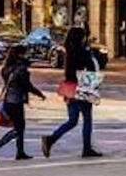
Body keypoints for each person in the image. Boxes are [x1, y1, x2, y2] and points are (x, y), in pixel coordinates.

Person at [42, 27, 104, 158]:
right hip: (82, 87)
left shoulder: (68, 52)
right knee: (87, 119)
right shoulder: (83, 52)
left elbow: (68, 72)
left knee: (72, 120)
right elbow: (92, 68)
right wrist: (89, 52)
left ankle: (51, 139)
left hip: (69, 88)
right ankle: (86, 148)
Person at [0, 46, 44, 160]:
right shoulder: (21, 69)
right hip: (16, 101)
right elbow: (27, 85)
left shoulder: (6, 68)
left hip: (7, 100)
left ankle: (20, 152)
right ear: (20, 55)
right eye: (25, 54)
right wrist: (39, 94)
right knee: (19, 128)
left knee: (19, 127)